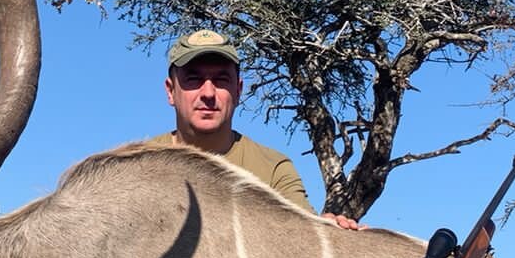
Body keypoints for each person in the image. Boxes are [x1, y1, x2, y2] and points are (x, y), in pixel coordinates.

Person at [149, 29, 362, 230]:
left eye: (221, 80)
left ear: (238, 91)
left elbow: (304, 226)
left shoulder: (272, 169)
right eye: (193, 79)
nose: (208, 93)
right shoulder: (143, 164)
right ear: (170, 91)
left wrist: (329, 227)